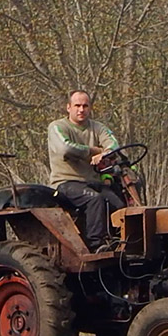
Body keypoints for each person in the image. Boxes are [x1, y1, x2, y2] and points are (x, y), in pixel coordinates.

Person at [48, 90, 124, 252]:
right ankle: (96, 244)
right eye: (77, 106)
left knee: (120, 205)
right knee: (94, 199)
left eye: (85, 106)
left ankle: (122, 244)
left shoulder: (98, 128)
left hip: (93, 182)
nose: (81, 110)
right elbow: (65, 148)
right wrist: (94, 151)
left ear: (90, 108)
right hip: (66, 183)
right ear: (68, 107)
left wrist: (105, 153)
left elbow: (114, 145)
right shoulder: (57, 127)